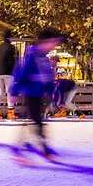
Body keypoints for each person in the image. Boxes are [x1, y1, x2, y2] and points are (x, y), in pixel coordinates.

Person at [10, 28, 64, 160]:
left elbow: (48, 78)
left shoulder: (44, 58)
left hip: (40, 94)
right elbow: (22, 73)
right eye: (53, 42)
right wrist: (14, 90)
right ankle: (44, 149)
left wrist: (51, 92)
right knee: (37, 121)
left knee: (33, 120)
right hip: (31, 93)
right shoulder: (32, 56)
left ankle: (19, 147)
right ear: (45, 42)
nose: (54, 46)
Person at [0, 30, 17, 120]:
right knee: (9, 92)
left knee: (0, 92)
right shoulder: (12, 48)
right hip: (8, 73)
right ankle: (10, 113)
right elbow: (14, 61)